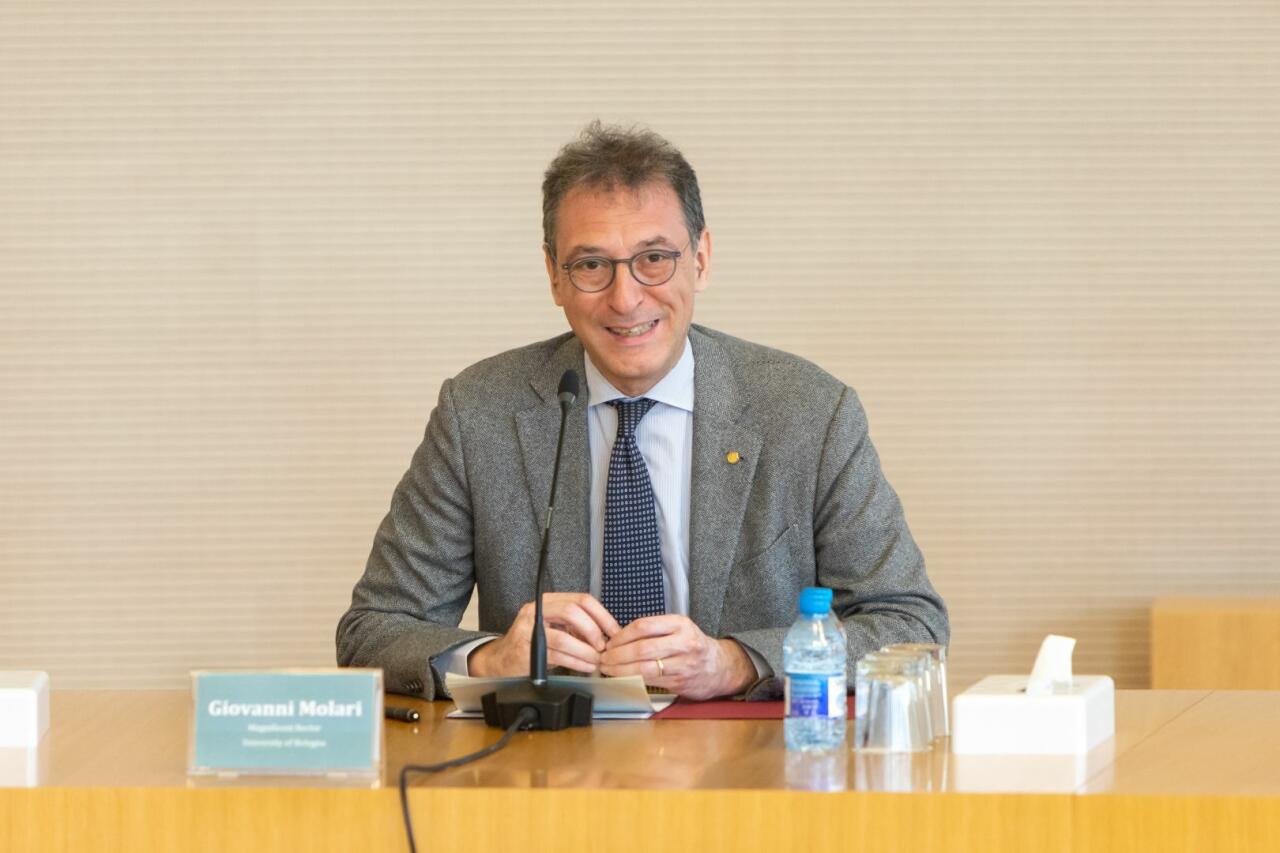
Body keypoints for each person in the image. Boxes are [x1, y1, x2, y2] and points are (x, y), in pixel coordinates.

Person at [336, 122, 948, 701]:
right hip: (548, 757)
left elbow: (911, 625)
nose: (626, 298)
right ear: (554, 276)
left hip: (747, 760)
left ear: (701, 259)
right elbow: (372, 630)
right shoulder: (479, 413)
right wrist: (488, 659)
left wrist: (737, 662)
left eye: (654, 258)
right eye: (591, 265)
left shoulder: (808, 412)